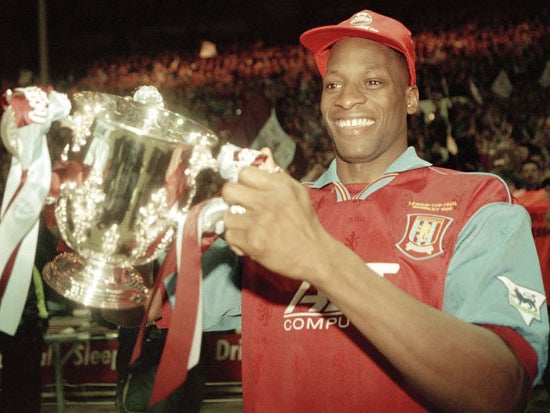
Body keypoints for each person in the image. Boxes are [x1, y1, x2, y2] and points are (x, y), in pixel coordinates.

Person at [155, 9, 548, 412]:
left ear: (410, 98)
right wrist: (130, 235)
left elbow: (501, 391)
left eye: (373, 82)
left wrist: (321, 259)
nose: (346, 99)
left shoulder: (477, 203)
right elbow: (151, 308)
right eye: (333, 84)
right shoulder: (278, 209)